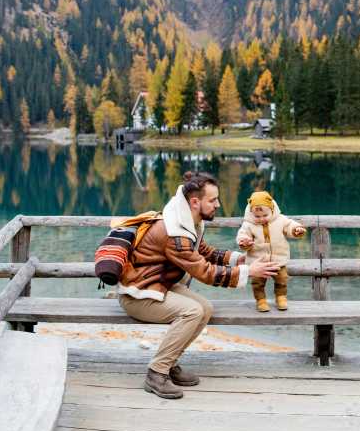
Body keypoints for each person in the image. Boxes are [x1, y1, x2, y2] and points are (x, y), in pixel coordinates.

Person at [118, 171, 281, 399]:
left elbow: (203, 251)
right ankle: (156, 374)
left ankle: (169, 362)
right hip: (138, 294)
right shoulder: (174, 232)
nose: (218, 205)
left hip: (157, 285)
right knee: (192, 312)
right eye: (213, 200)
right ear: (195, 202)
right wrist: (248, 272)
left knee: (205, 308)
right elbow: (204, 271)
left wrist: (239, 259)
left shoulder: (185, 219)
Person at [236, 190, 306, 312]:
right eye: (257, 216)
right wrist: (244, 242)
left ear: (272, 210)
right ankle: (261, 300)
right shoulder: (248, 224)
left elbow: (290, 226)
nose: (261, 219)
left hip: (278, 259)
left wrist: (296, 229)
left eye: (265, 215)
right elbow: (242, 235)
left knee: (282, 278)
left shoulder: (280, 220)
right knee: (257, 282)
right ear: (251, 213)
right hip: (258, 261)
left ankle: (281, 297)